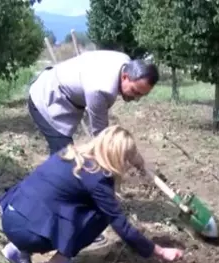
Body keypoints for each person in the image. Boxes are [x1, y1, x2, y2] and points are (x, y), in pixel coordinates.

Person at [0, 125, 184, 263]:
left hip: (11, 219)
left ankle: (18, 250)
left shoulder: (70, 154)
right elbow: (122, 226)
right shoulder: (98, 178)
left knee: (55, 202)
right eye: (126, 160)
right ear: (118, 158)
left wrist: (137, 160)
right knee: (100, 215)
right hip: (30, 234)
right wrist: (159, 252)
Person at [26, 49, 160, 247]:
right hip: (48, 99)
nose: (136, 98)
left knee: (75, 166)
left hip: (67, 101)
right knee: (67, 168)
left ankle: (70, 215)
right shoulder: (101, 89)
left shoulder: (125, 62)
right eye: (135, 92)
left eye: (142, 95)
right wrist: (126, 159)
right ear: (125, 76)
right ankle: (53, 221)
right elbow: (102, 139)